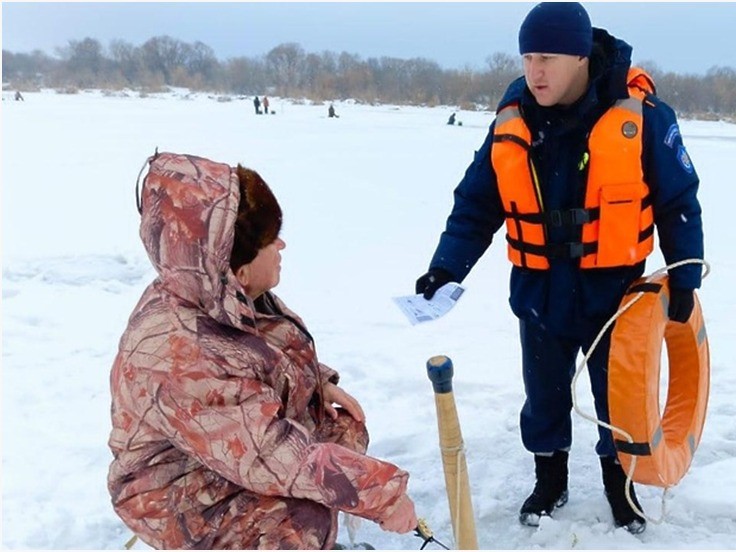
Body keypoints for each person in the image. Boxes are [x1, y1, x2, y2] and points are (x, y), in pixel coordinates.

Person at [415, 2, 704, 535]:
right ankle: (550, 478)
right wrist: (445, 268)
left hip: (615, 293)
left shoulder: (641, 117)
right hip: (540, 292)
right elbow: (477, 204)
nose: (535, 71)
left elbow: (678, 201)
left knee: (616, 398)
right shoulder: (513, 122)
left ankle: (621, 485)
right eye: (527, 58)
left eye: (546, 57)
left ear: (579, 57)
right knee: (542, 391)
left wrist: (684, 275)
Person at [109, 151, 417, 549]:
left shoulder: (222, 293)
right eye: (271, 240)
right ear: (235, 266)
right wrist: (382, 496)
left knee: (339, 430)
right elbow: (268, 453)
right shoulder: (182, 351)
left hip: (225, 448)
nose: (282, 245)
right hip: (173, 487)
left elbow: (263, 348)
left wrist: (317, 382)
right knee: (299, 520)